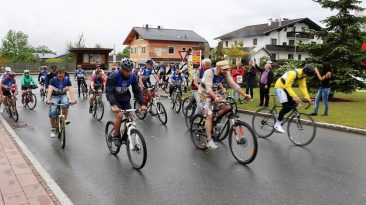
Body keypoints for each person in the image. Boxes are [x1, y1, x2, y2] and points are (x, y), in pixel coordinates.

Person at [199, 60, 251, 149]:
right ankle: (209, 140)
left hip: (215, 91)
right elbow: (208, 89)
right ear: (219, 68)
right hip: (204, 92)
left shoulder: (225, 73)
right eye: (224, 69)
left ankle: (214, 122)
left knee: (227, 107)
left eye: (227, 69)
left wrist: (244, 94)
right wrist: (215, 97)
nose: (226, 71)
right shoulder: (209, 72)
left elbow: (234, 85)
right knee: (209, 114)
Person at [106, 58, 147, 147]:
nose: (128, 72)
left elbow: (137, 90)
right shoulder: (114, 76)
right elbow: (109, 91)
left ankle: (126, 134)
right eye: (126, 70)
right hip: (115, 99)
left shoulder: (132, 76)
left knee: (130, 117)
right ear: (121, 69)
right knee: (120, 116)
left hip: (125, 98)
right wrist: (113, 104)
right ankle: (116, 136)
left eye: (129, 70)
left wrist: (142, 103)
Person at [274, 64, 315, 133]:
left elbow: (303, 87)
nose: (307, 77)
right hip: (279, 87)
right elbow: (287, 86)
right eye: (307, 75)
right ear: (304, 73)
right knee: (286, 106)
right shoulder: (293, 73)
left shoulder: (302, 76)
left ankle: (280, 116)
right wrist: (295, 97)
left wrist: (308, 98)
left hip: (285, 87)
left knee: (292, 105)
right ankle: (277, 124)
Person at [46, 67, 76, 138]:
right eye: (59, 75)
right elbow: (50, 90)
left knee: (66, 104)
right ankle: (53, 128)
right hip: (55, 97)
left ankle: (64, 121)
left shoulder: (67, 80)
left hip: (63, 96)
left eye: (62, 75)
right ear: (57, 75)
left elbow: (71, 90)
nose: (60, 77)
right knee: (53, 111)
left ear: (64, 74)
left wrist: (73, 99)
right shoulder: (53, 80)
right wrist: (48, 100)